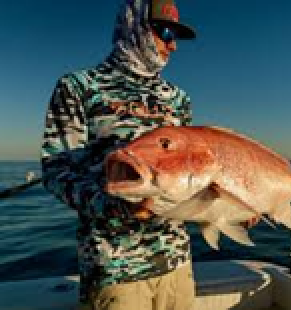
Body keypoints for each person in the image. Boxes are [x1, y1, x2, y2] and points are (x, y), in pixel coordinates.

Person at [41, 0, 197, 309]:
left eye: (175, 36)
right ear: (135, 25)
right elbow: (56, 171)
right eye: (165, 32)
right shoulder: (78, 87)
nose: (173, 46)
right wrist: (114, 207)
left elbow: (190, 174)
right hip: (115, 271)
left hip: (177, 264)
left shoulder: (178, 100)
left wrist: (236, 204)